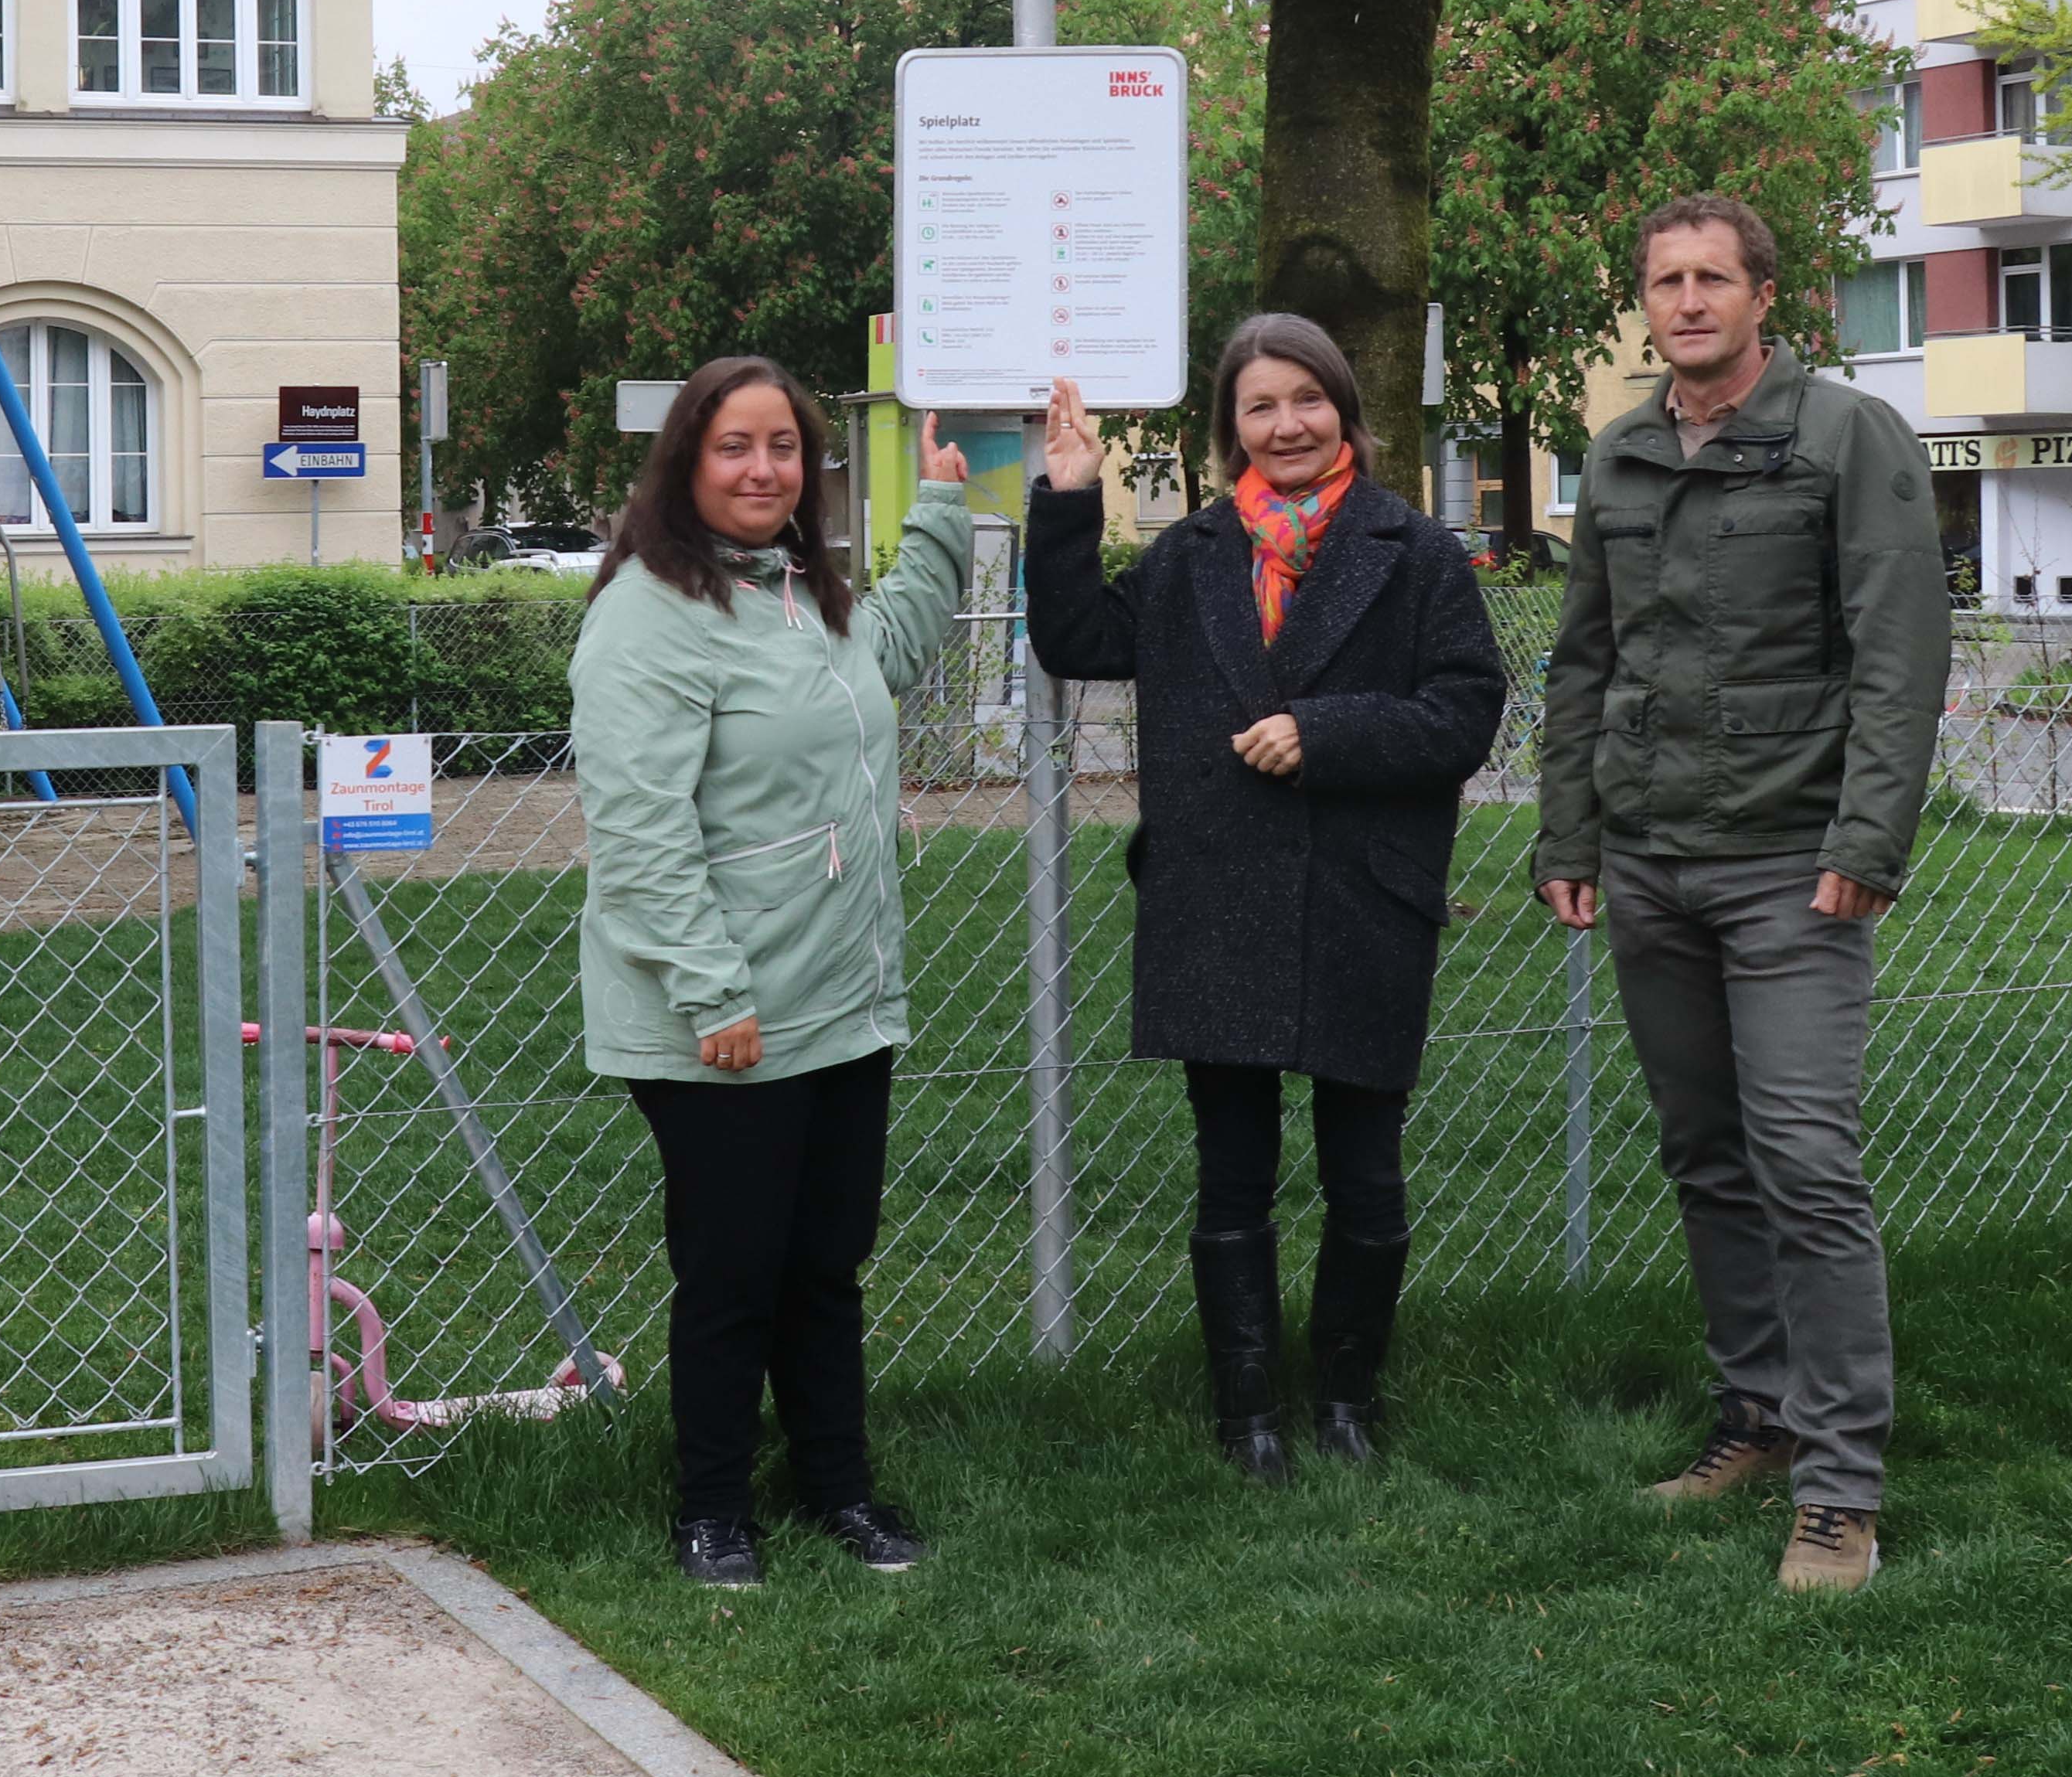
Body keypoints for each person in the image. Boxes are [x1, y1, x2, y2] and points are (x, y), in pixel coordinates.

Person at [1534, 194, 1949, 1595]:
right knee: (1707, 1158)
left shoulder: (1846, 437)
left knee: (1808, 1167)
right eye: (1667, 280)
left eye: (1716, 277)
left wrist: (1869, 840)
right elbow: (1584, 662)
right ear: (1644, 303)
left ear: (1765, 295)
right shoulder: (1620, 453)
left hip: (1794, 870)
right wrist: (1570, 839)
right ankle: (1758, 1418)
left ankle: (1841, 1488)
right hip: (1650, 862)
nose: (1691, 299)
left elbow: (1899, 653)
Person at [1026, 317, 1508, 1481]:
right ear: (1229, 427)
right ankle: (1246, 1416)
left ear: (1345, 410)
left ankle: (1345, 1401)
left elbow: (1465, 711)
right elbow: (1078, 634)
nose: (1287, 425)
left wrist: (1325, 733)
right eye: (1260, 406)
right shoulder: (1193, 555)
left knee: (1367, 1170)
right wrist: (1069, 494)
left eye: (1308, 400)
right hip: (1217, 896)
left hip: (1364, 897)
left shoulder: (1417, 551)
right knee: (1230, 1169)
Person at [569, 354, 974, 1589]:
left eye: (785, 448)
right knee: (736, 1271)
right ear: (687, 461)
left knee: (825, 1261)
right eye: (735, 447)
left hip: (841, 1004)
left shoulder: (804, 592)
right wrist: (714, 993)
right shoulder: (649, 611)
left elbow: (888, 657)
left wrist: (945, 510)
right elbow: (639, 830)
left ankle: (837, 1490)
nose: (763, 469)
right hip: (726, 1016)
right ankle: (711, 1512)